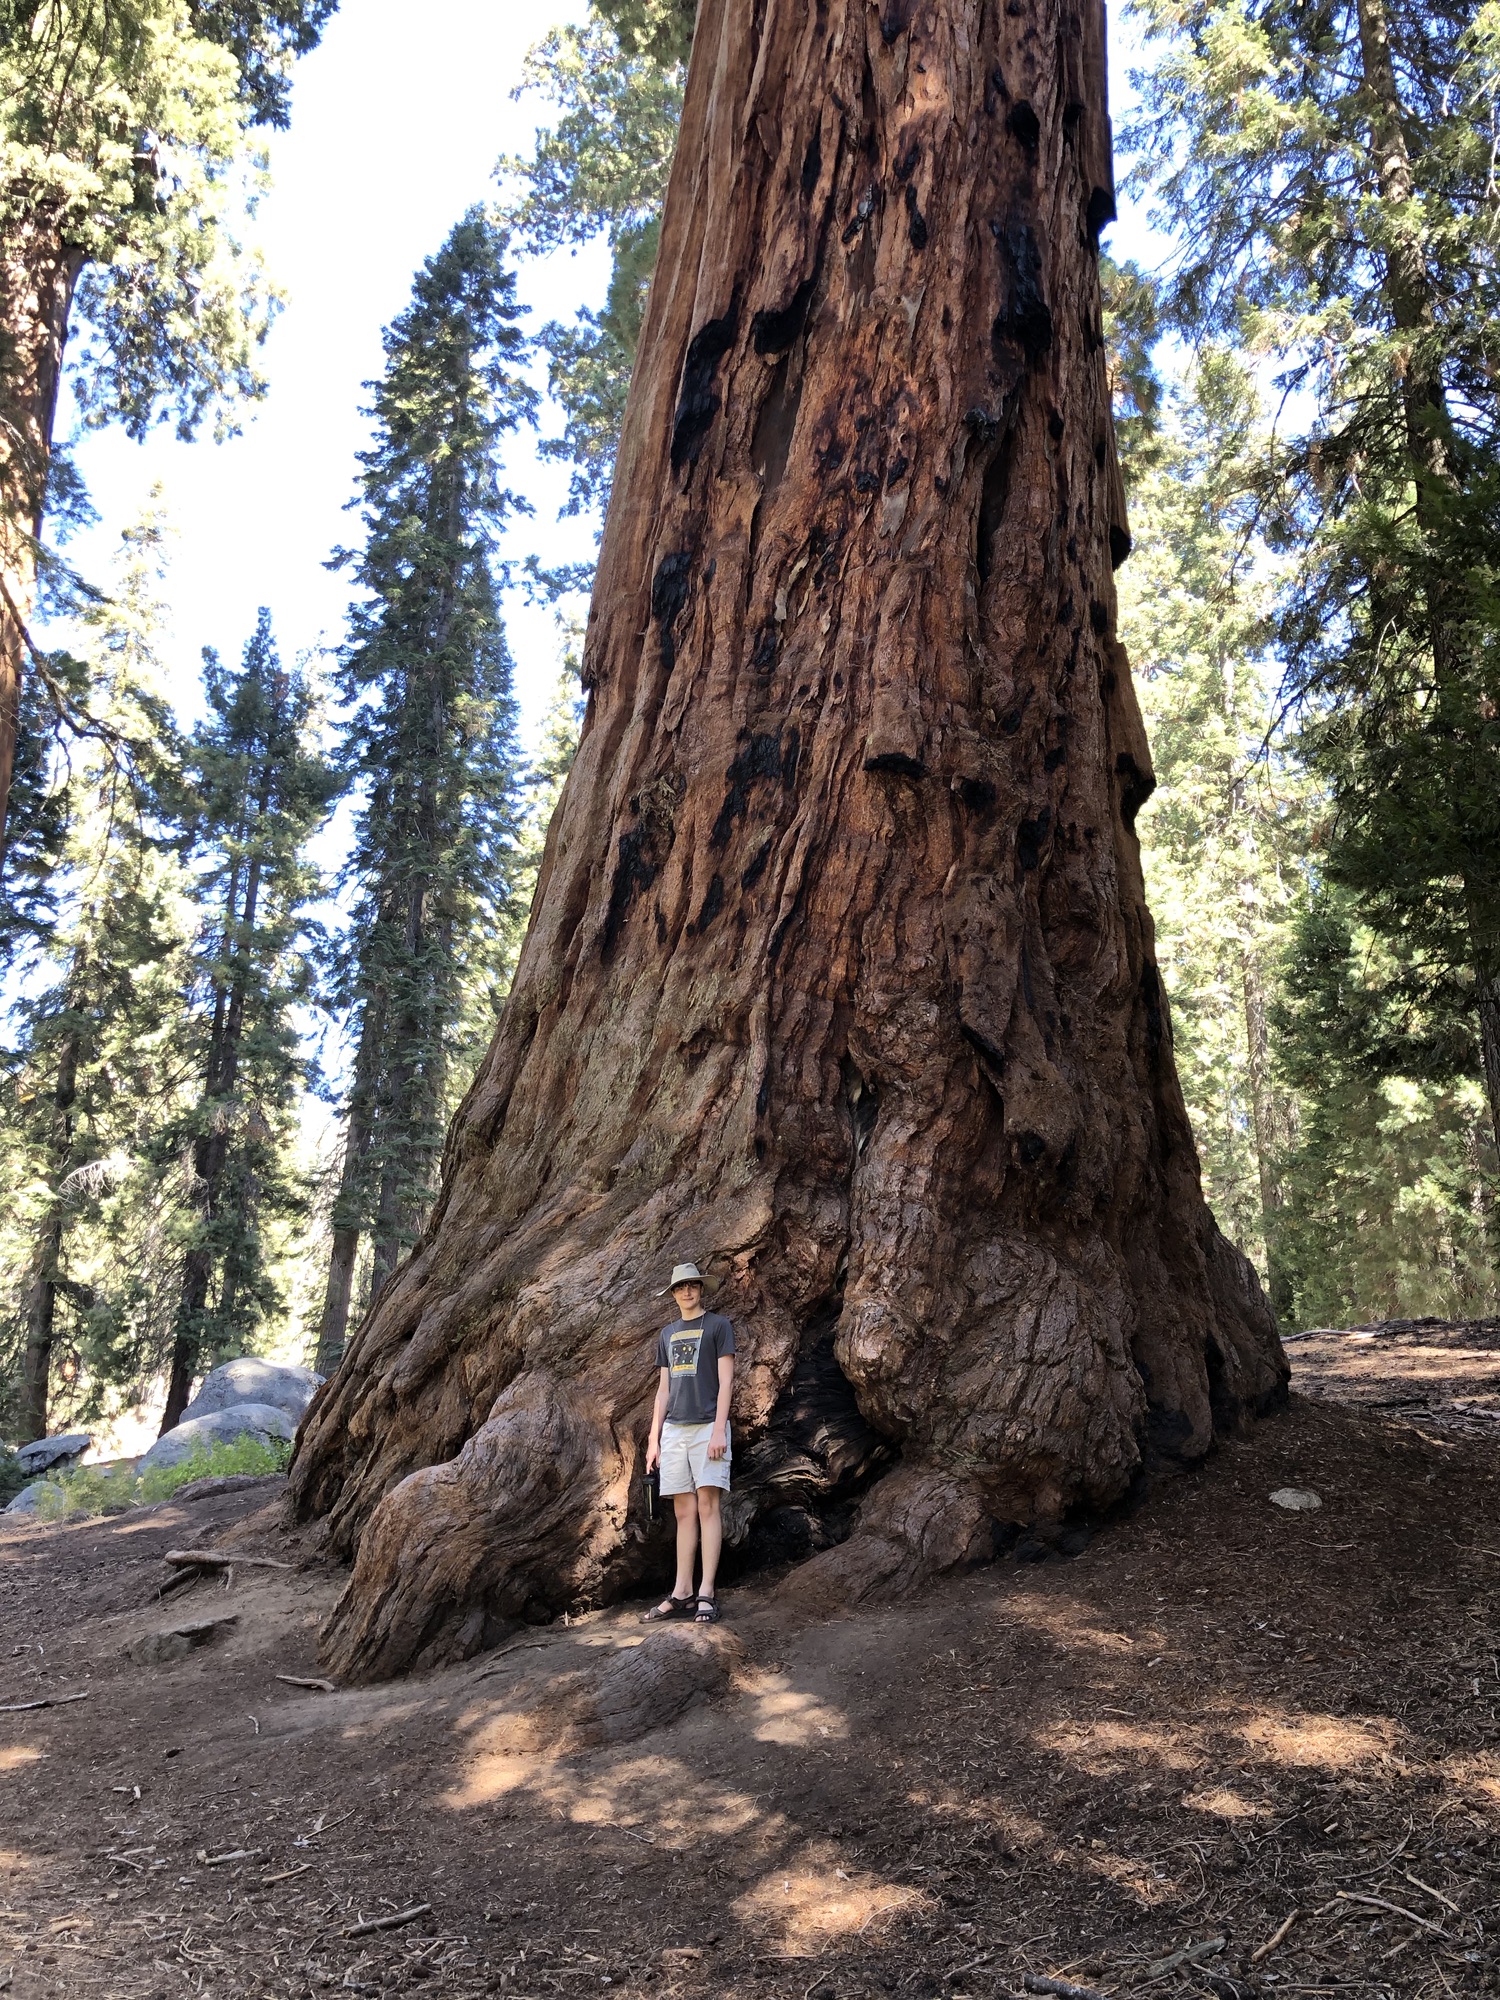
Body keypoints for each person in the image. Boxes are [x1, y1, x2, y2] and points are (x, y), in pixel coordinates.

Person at [643, 1261, 735, 1624]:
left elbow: (727, 1382)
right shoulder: (667, 1334)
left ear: (701, 1289)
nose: (687, 1292)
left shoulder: (718, 1326)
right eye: (680, 1287)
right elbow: (662, 1392)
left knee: (708, 1505)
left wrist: (718, 1429)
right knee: (684, 1511)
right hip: (675, 1431)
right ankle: (681, 1591)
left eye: (693, 1285)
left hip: (707, 1428)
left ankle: (706, 1592)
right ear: (673, 1294)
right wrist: (654, 1439)